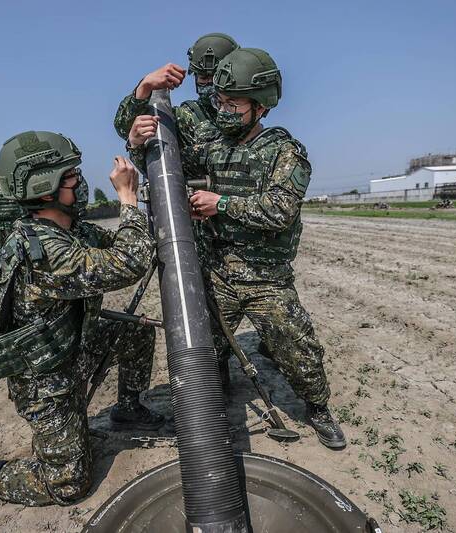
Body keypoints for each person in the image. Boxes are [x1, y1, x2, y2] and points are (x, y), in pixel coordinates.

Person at [126, 48, 346, 449]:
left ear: (260, 108)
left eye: (234, 104)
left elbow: (280, 210)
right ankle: (217, 395)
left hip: (265, 278)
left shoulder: (284, 151)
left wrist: (220, 204)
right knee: (205, 347)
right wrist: (136, 142)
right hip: (217, 272)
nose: (224, 110)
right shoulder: (214, 148)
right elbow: (161, 161)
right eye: (221, 102)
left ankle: (318, 408)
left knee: (296, 346)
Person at [0, 131, 164, 506]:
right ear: (46, 188)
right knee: (67, 485)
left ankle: (128, 409)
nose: (82, 181)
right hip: (48, 383)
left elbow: (124, 242)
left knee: (132, 331)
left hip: (72, 350)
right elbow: (127, 263)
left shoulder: (64, 229)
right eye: (72, 175)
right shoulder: (43, 251)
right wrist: (127, 199)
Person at [113, 32, 239, 149]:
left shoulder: (248, 112)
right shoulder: (187, 118)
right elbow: (126, 129)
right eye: (203, 78)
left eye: (217, 77)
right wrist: (144, 87)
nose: (210, 84)